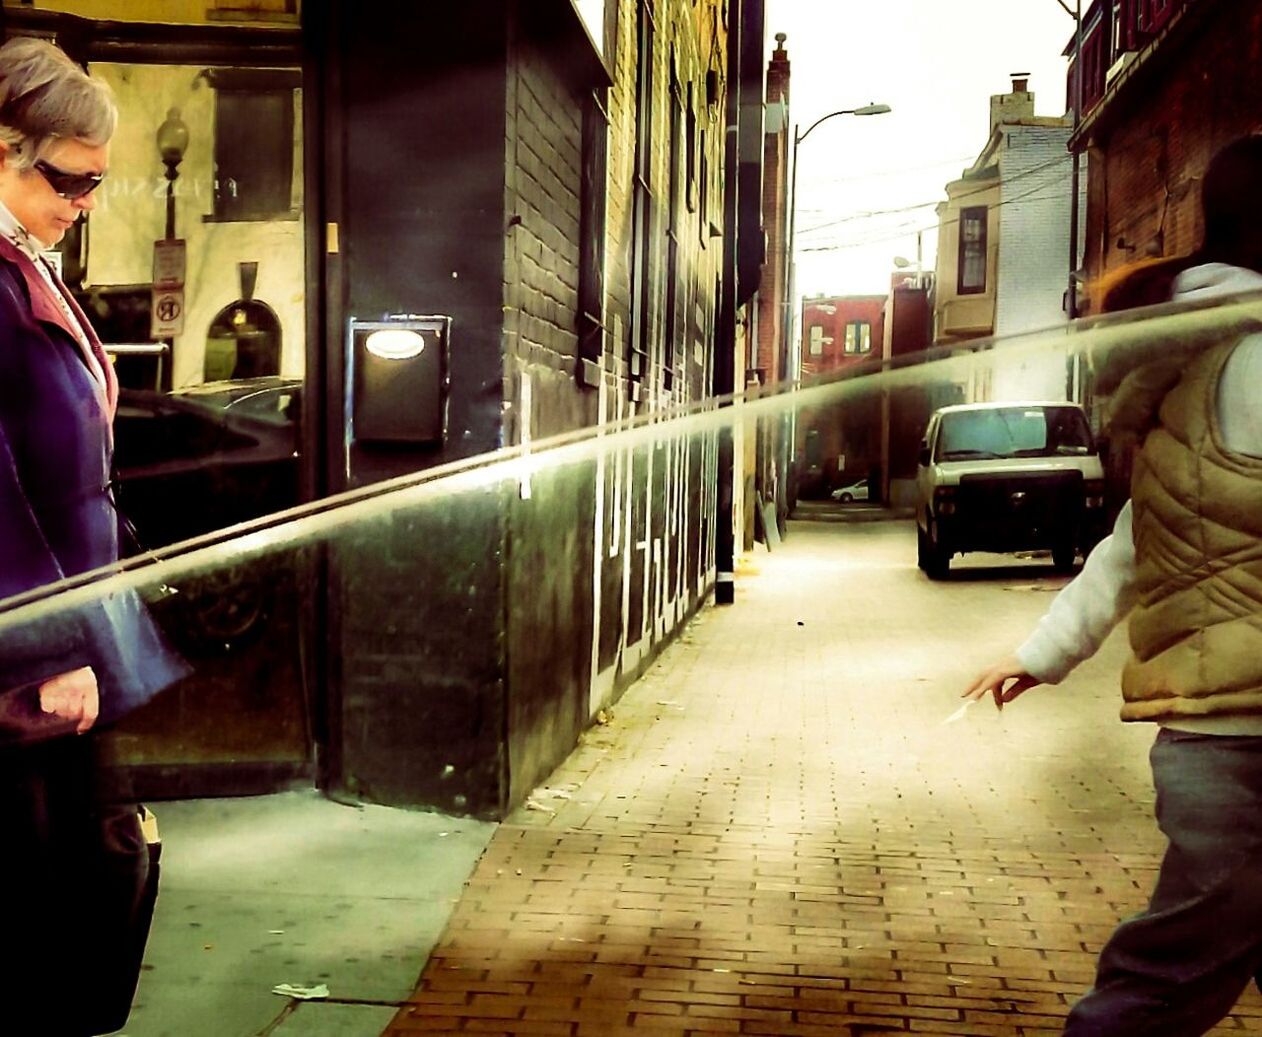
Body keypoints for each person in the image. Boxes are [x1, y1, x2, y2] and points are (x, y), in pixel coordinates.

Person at [963, 133, 1262, 1037]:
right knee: (1171, 974)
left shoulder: (1207, 352)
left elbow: (1139, 536)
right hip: (1249, 736)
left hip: (1213, 733)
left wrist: (1041, 650)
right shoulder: (1253, 358)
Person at [0, 37, 187, 1033]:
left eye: (98, 183)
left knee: (68, 878)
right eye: (70, 179)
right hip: (27, 650)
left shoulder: (29, 265)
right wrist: (55, 643)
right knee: (43, 893)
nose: (85, 202)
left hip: (59, 631)